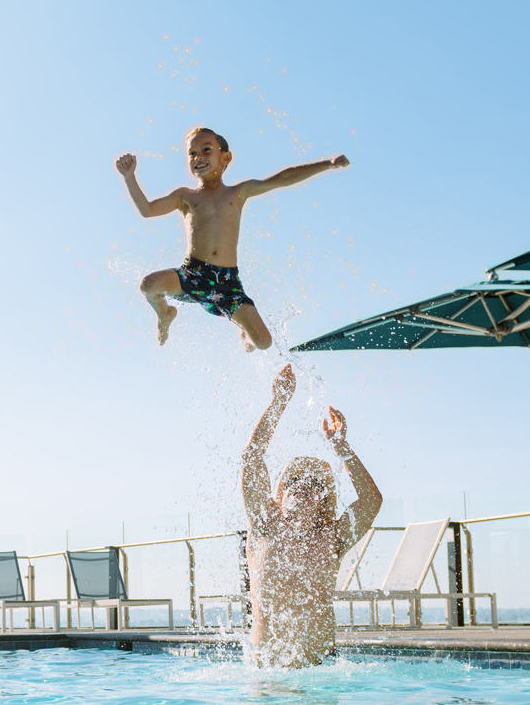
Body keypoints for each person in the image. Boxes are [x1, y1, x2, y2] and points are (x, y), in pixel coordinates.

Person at [115, 128, 349, 351]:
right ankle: (164, 314)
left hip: (228, 284)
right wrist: (129, 177)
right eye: (192, 153)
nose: (198, 157)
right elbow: (147, 210)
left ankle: (245, 335)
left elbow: (282, 179)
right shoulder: (185, 196)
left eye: (206, 149)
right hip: (193, 275)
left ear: (225, 158)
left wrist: (327, 165)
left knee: (263, 342)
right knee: (149, 285)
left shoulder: (238, 192)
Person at [240, 364, 381, 667]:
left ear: (323, 502)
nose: (302, 484)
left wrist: (341, 448)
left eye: (315, 483)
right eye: (292, 480)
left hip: (321, 672)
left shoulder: (330, 537)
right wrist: (277, 403)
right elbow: (252, 458)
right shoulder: (265, 525)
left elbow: (370, 501)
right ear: (281, 495)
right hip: (268, 674)